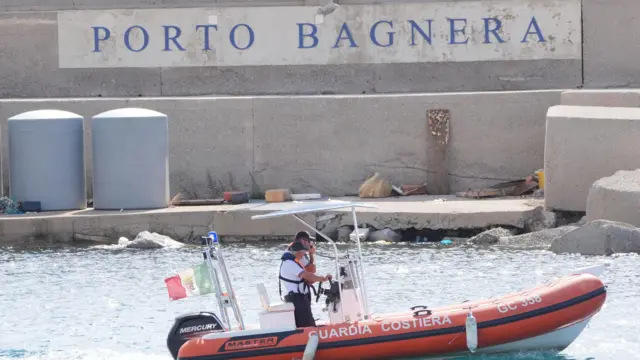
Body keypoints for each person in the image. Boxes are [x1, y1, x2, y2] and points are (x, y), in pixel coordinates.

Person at [279, 241, 332, 328]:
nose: (304, 255)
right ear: (298, 252)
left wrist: (320, 280)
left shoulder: (294, 261)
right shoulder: (290, 263)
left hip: (300, 298)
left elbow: (306, 279)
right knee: (306, 324)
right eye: (303, 253)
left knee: (308, 321)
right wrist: (322, 278)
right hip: (297, 299)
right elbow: (306, 275)